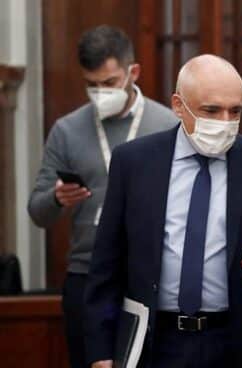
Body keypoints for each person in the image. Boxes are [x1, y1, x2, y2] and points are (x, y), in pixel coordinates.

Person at [84, 55, 242, 368]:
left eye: (235, 111)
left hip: (234, 342)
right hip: (155, 341)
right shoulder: (134, 162)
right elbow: (106, 263)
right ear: (178, 105)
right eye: (211, 110)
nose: (225, 120)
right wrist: (101, 352)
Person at [26, 25, 177, 368]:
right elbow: (37, 212)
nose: (100, 93)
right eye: (91, 85)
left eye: (108, 83)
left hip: (149, 274)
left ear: (132, 72)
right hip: (87, 275)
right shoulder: (67, 130)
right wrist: (57, 197)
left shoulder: (167, 125)